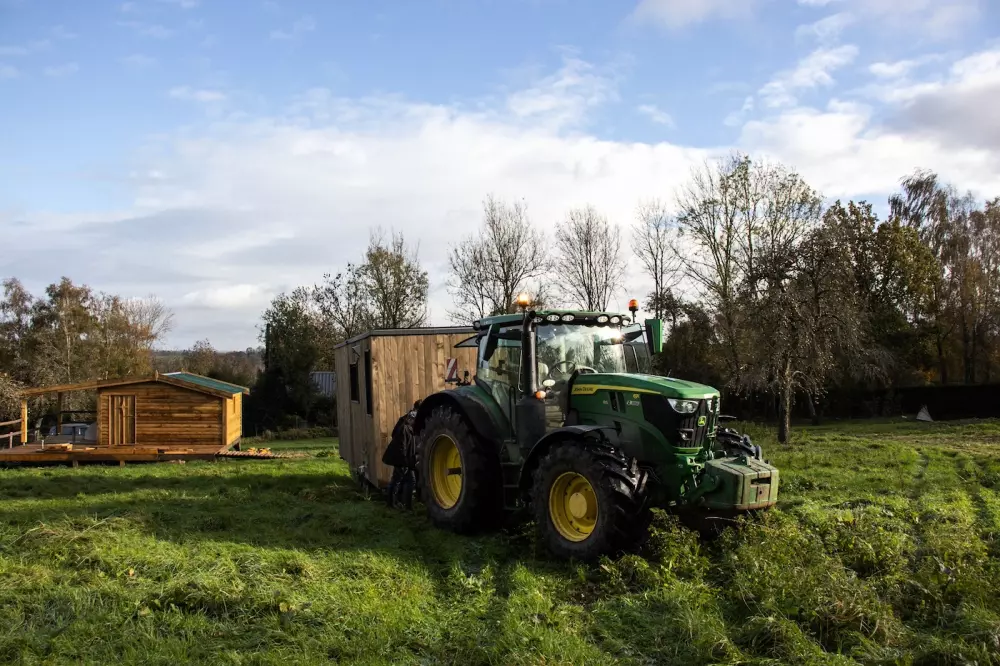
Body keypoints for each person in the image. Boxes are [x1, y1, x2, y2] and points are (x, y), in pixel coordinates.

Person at [382, 399, 422, 509]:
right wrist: (404, 459)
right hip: (403, 457)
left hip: (407, 456)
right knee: (397, 479)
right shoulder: (408, 424)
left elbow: (394, 434)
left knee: (407, 480)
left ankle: (405, 505)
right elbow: (401, 443)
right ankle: (392, 504)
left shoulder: (405, 419)